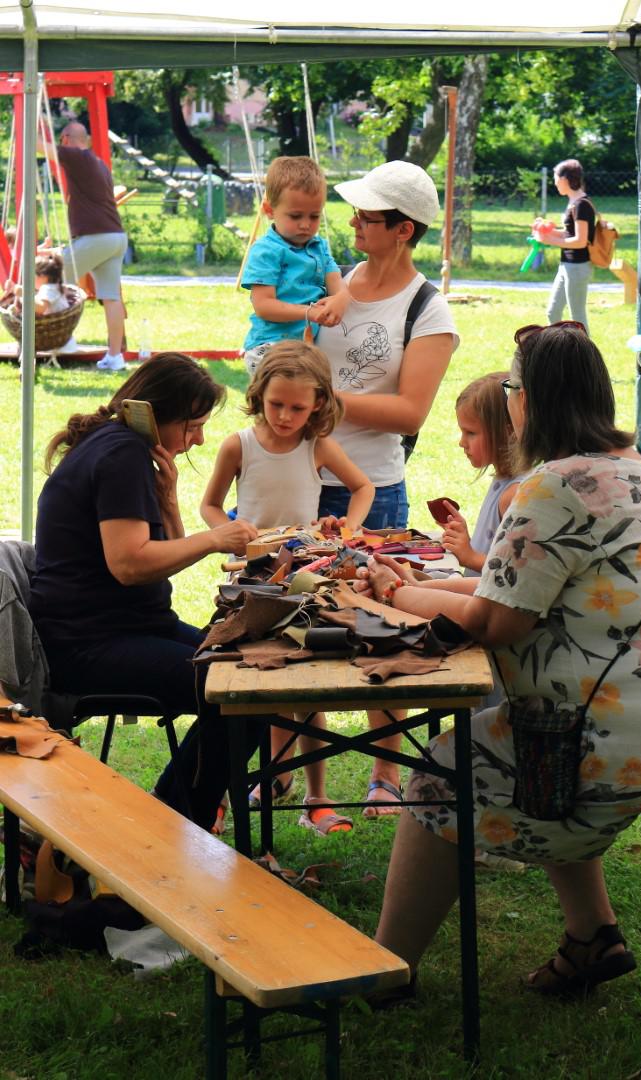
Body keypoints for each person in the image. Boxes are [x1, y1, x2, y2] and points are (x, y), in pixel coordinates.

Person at [355, 322, 641, 996]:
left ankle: (386, 971)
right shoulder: (635, 471)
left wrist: (397, 592)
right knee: (529, 742)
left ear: (529, 400)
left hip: (625, 746)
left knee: (444, 770)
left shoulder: (551, 486)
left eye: (511, 388)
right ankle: (592, 936)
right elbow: (511, 587)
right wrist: (414, 585)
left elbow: (496, 622)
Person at [29, 353, 261, 831]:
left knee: (253, 682)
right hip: (89, 644)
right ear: (160, 416)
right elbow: (130, 564)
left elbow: (163, 558)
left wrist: (168, 500)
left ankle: (172, 813)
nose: (198, 439)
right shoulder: (122, 455)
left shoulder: (119, 446)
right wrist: (215, 538)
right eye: (193, 426)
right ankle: (175, 821)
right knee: (243, 694)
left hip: (127, 628)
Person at [316, 159, 459, 816]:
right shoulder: (336, 283)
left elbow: (410, 412)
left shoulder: (429, 310)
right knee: (295, 626)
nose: (353, 222)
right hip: (300, 478)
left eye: (367, 217)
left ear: (403, 230)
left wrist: (323, 401)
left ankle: (385, 773)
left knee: (380, 628)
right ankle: (295, 771)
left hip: (372, 485)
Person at [200, 339, 374, 834]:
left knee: (306, 692)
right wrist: (230, 533)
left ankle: (317, 798)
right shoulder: (239, 444)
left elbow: (363, 486)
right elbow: (210, 504)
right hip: (249, 587)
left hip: (303, 584)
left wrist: (348, 530)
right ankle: (227, 792)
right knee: (247, 689)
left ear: (318, 403)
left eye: (298, 408)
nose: (284, 416)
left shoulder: (317, 445)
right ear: (259, 394)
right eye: (276, 404)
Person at [240, 156, 350, 376]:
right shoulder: (266, 251)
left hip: (307, 349)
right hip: (270, 347)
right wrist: (310, 312)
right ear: (269, 210)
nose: (305, 225)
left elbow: (338, 285)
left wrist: (341, 300)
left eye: (314, 216)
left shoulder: (319, 247)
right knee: (289, 393)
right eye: (295, 216)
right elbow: (264, 305)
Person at [55, 121, 128, 372]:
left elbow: (40, 146)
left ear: (66, 139)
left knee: (50, 278)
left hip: (97, 237)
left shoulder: (78, 157)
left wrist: (30, 124)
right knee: (111, 296)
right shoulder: (98, 163)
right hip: (116, 237)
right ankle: (115, 357)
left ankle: (64, 340)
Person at [441, 373, 522, 579]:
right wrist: (463, 539)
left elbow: (515, 573)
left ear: (507, 433)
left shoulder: (514, 494)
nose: (462, 442)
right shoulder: (502, 480)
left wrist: (469, 556)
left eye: (470, 433)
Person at [533, 158, 595, 333]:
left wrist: (549, 241)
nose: (554, 183)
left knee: (577, 317)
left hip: (578, 267)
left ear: (565, 179)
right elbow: (569, 234)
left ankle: (586, 350)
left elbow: (580, 241)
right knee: (553, 312)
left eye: (555, 178)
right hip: (566, 265)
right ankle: (558, 347)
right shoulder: (573, 202)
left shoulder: (581, 205)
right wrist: (547, 231)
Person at [32, 251, 70, 316]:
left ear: (43, 276)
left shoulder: (49, 288)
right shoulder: (55, 286)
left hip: (56, 320)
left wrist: (24, 296)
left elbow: (41, 308)